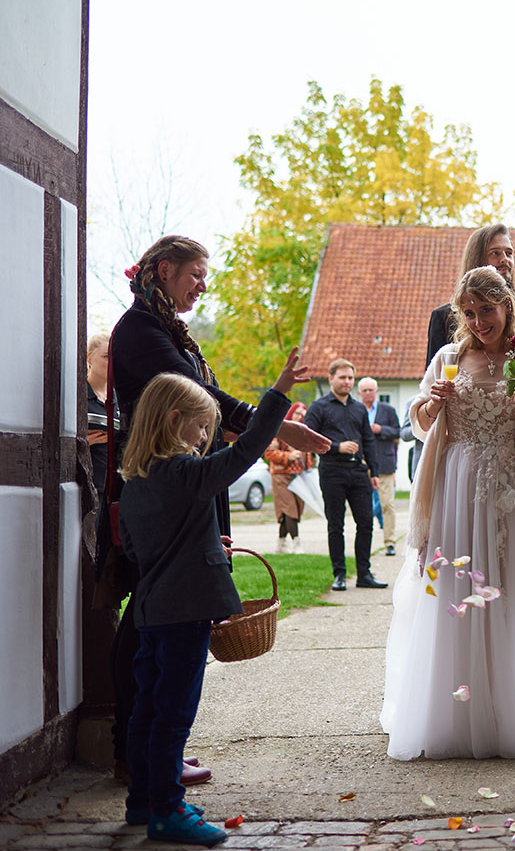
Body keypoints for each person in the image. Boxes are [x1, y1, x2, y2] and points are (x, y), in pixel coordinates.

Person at [105, 235, 330, 789]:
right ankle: (140, 750)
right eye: (195, 274)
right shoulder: (140, 332)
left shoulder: (164, 328)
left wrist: (272, 423)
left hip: (181, 490)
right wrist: (278, 421)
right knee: (151, 625)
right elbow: (210, 402)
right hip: (164, 491)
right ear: (163, 270)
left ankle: (153, 749)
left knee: (162, 620)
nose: (203, 285)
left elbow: (212, 402)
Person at [117, 349, 304, 844]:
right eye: (201, 428)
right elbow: (245, 453)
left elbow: (140, 548)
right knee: (174, 714)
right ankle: (167, 811)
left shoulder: (136, 482)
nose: (205, 439)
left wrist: (203, 542)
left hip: (151, 614)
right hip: (186, 616)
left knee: (146, 710)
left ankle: (141, 802)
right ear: (175, 421)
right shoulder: (185, 473)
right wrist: (278, 394)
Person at [382, 266, 515, 761]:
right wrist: (431, 405)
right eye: (470, 312)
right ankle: (451, 719)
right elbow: (418, 425)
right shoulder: (447, 358)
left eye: (488, 309)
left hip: (511, 489)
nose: (480, 321)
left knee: (506, 592)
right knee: (454, 592)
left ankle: (508, 718)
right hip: (456, 489)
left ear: (507, 307)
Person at [305, 360, 387, 592]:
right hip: (332, 471)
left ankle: (364, 574)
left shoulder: (359, 409)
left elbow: (368, 440)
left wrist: (374, 471)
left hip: (358, 472)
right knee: (336, 525)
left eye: (350, 378)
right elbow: (309, 440)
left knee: (366, 523)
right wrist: (337, 447)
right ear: (331, 378)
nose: (347, 382)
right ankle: (339, 575)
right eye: (342, 378)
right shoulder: (318, 407)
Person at [426, 224, 515, 366]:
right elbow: (434, 379)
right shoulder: (444, 318)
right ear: (477, 259)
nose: (505, 259)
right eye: (495, 253)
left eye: (509, 253)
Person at [358, 377, 402, 556]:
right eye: (365, 390)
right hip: (362, 464)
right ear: (360, 393)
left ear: (376, 391)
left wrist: (380, 430)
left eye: (371, 390)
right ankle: (364, 544)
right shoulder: (356, 409)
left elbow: (398, 431)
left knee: (387, 505)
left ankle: (390, 542)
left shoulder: (388, 410)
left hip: (384, 463)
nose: (368, 393)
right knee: (363, 507)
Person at [264, 402, 313, 554]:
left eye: (303, 415)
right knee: (289, 508)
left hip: (298, 477)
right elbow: (269, 453)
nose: (300, 417)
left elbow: (308, 454)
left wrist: (309, 463)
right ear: (291, 413)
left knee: (294, 510)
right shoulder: (279, 430)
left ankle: (281, 544)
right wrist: (289, 456)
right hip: (280, 475)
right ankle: (296, 543)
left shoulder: (304, 432)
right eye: (298, 413)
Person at [86, 331, 116, 503]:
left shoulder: (118, 399)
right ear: (89, 358)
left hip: (115, 489)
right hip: (88, 490)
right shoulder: (77, 396)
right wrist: (83, 443)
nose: (111, 362)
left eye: (114, 356)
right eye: (106, 356)